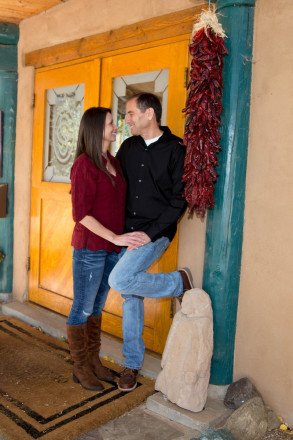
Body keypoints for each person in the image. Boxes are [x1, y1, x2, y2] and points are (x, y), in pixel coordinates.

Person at [108, 93, 193, 392]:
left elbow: (179, 200)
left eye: (130, 113)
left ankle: (177, 283)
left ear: (149, 115)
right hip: (126, 231)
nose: (126, 119)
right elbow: (114, 184)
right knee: (131, 292)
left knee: (120, 280)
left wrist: (152, 233)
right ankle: (132, 363)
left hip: (156, 233)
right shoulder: (128, 147)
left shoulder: (176, 149)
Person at [67, 107, 145, 392]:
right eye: (112, 122)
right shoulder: (84, 165)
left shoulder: (112, 160)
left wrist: (121, 238)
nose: (116, 126)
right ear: (96, 128)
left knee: (97, 305)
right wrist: (115, 236)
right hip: (91, 248)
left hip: (112, 247)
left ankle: (93, 360)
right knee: (83, 307)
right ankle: (80, 367)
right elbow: (81, 214)